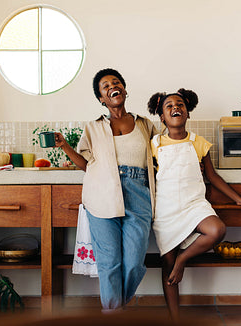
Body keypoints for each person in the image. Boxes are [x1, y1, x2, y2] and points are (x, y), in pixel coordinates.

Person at [147, 88, 241, 321]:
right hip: (165, 209)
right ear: (162, 117)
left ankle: (183, 260)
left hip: (194, 204)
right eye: (169, 106)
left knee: (217, 229)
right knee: (167, 265)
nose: (175, 108)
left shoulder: (199, 143)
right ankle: (175, 319)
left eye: (180, 105)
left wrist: (239, 199)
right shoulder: (153, 144)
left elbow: (213, 177)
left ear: (188, 113)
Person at [54, 68, 157, 311]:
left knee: (133, 262)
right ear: (101, 98)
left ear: (124, 88)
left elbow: (161, 156)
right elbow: (86, 165)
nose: (112, 86)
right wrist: (65, 146)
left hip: (139, 194)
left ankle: (114, 308)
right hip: (101, 195)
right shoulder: (93, 128)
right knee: (109, 263)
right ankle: (112, 315)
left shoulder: (145, 125)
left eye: (116, 81)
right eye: (105, 85)